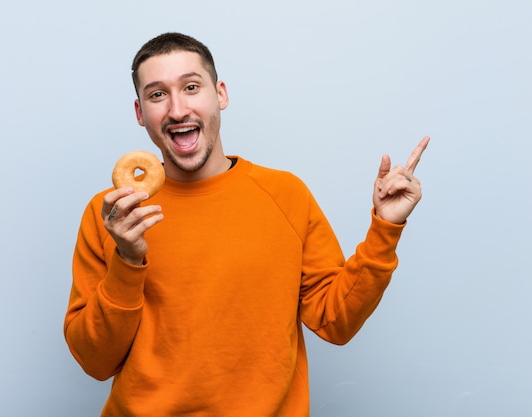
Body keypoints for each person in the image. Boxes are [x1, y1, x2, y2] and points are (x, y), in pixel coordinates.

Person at [64, 32, 430, 417]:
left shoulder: (284, 194)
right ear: (140, 113)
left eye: (191, 87)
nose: (177, 109)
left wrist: (384, 231)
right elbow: (95, 362)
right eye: (157, 95)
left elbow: (335, 322)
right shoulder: (111, 215)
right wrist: (127, 259)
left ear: (220, 94)